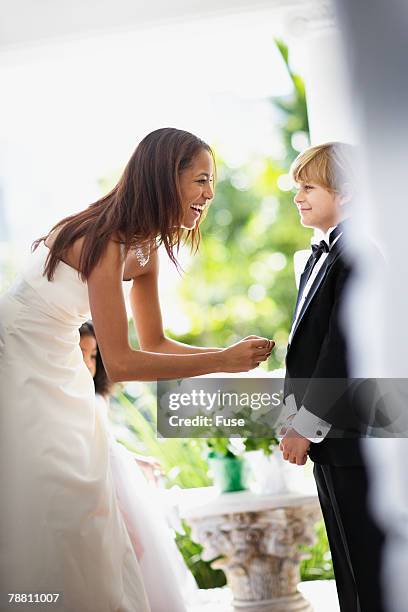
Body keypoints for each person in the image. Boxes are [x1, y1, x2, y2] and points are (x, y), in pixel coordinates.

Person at [0, 127, 273, 611]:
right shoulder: (103, 241)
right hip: (15, 362)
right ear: (166, 178)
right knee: (53, 498)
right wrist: (223, 360)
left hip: (61, 361)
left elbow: (155, 343)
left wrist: (227, 362)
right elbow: (121, 362)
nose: (210, 194)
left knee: (90, 498)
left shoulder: (144, 249)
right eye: (202, 180)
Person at [279, 142, 385, 612]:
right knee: (347, 559)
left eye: (308, 187)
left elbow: (343, 350)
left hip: (348, 432)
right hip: (331, 436)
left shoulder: (356, 252)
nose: (297, 197)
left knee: (364, 561)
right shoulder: (321, 255)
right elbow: (311, 346)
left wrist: (306, 424)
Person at [79, 321, 198, 612]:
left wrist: (135, 459)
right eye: (79, 352)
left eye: (93, 355)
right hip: (96, 478)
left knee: (138, 545)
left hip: (117, 476)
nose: (86, 362)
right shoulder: (68, 399)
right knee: (115, 547)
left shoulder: (97, 397)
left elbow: (106, 441)